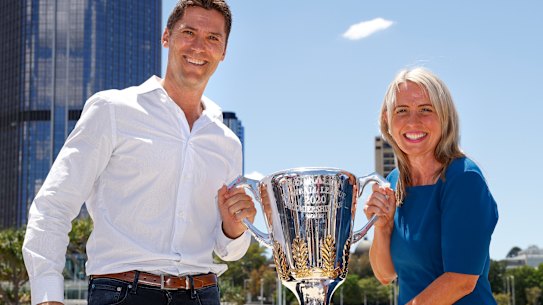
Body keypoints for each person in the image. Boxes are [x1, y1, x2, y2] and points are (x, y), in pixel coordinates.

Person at [22, 1, 256, 305]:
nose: (199, 46)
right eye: (188, 32)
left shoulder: (226, 142)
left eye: (213, 38)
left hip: (203, 294)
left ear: (223, 52)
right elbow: (52, 206)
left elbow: (229, 251)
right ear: (166, 37)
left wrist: (234, 227)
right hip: (123, 294)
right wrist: (47, 296)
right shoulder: (113, 110)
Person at [364, 67, 498, 304]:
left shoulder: (464, 179)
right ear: (387, 119)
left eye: (426, 109)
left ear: (445, 117)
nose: (413, 121)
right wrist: (382, 228)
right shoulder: (394, 182)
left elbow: (461, 280)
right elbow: (385, 275)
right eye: (402, 111)